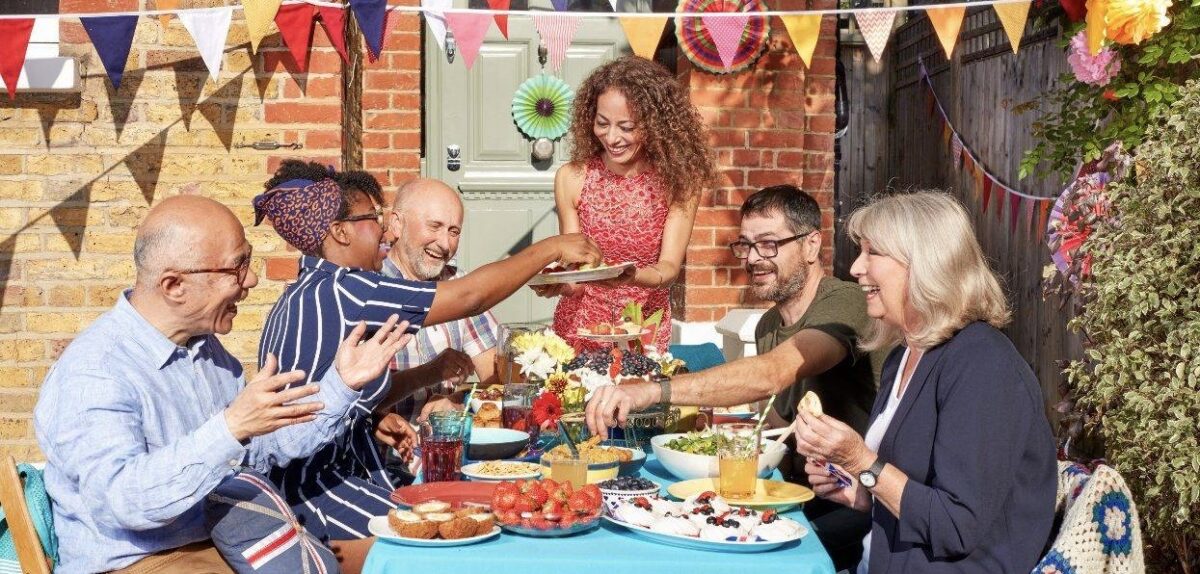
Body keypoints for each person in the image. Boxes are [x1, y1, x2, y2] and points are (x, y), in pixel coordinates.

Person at [253, 160, 601, 572]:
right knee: (440, 546)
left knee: (460, 526)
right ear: (340, 231)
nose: (383, 231)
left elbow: (329, 388)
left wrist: (372, 415)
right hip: (311, 486)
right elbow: (470, 295)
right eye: (372, 220)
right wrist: (551, 247)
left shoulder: (308, 291)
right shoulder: (346, 289)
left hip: (332, 472)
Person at [33, 196, 411, 573]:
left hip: (226, 542)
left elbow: (263, 451)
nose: (251, 279)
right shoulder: (95, 370)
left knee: (398, 556)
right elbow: (123, 501)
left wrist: (342, 384)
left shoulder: (208, 353)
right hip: (140, 562)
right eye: (237, 266)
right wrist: (230, 428)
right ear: (174, 285)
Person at [585, 184, 882, 569]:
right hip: (797, 490)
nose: (755, 258)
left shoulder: (845, 301)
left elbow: (773, 373)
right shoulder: (768, 325)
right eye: (746, 245)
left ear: (811, 246)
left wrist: (650, 392)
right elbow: (776, 426)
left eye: (769, 244)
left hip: (859, 500)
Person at [792, 192, 1056, 573]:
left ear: (925, 265)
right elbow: (910, 493)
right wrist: (858, 491)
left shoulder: (983, 365)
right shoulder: (904, 355)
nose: (856, 268)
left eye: (873, 253)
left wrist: (860, 460)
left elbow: (955, 526)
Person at [534, 55, 717, 350]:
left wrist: (632, 278)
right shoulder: (572, 177)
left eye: (627, 127)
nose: (612, 137)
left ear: (655, 125)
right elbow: (575, 269)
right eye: (602, 123)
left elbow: (669, 267)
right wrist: (557, 283)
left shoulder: (680, 181)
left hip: (642, 326)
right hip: (580, 325)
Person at [376, 176, 500, 422]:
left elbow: (497, 379)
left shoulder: (458, 285)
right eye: (434, 226)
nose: (445, 244)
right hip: (385, 454)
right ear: (397, 224)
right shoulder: (370, 287)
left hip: (450, 448)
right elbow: (351, 397)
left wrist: (457, 400)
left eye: (453, 232)